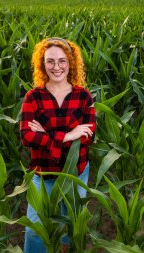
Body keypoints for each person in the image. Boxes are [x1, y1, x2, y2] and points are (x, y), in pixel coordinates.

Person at [19, 37, 96, 253]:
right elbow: (27, 137)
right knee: (34, 229)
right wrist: (68, 136)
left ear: (70, 63)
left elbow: (87, 137)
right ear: (42, 64)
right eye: (50, 61)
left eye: (62, 61)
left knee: (72, 228)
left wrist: (47, 135)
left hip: (75, 174)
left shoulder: (83, 96)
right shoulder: (33, 97)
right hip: (43, 175)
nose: (56, 67)